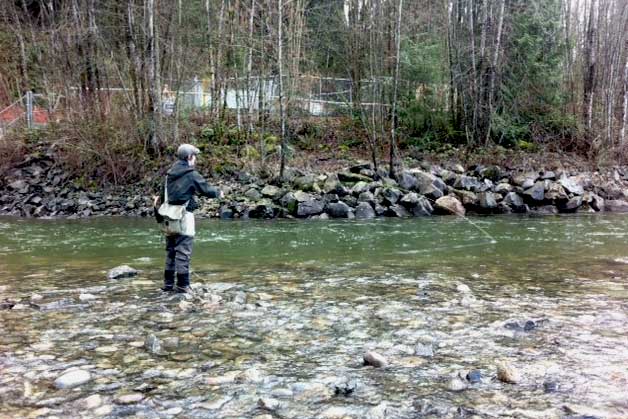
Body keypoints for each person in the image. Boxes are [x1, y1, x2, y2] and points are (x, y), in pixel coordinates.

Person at [153, 144, 222, 293]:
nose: (195, 159)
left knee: (171, 251)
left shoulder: (168, 175)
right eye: (194, 156)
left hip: (169, 219)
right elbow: (206, 189)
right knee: (183, 252)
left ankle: (168, 285)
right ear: (189, 157)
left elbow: (162, 196)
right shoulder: (191, 174)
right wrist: (219, 193)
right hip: (184, 218)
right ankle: (183, 286)